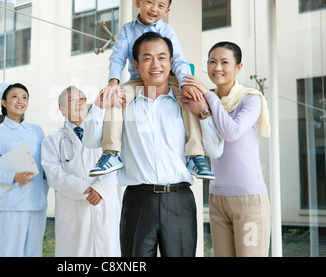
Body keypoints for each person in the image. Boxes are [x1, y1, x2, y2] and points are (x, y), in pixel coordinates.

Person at [84, 32, 224, 257]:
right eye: (147, 58)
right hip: (138, 202)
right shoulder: (124, 102)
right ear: (137, 65)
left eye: (161, 57)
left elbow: (215, 150)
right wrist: (99, 106)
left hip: (179, 201)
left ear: (171, 63)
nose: (155, 64)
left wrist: (205, 113)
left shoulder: (188, 102)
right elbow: (90, 141)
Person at [89, 0, 214, 180]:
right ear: (138, 2)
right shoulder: (127, 30)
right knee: (116, 97)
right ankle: (111, 153)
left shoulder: (167, 31)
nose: (154, 8)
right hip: (139, 78)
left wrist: (185, 83)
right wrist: (113, 81)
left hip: (169, 77)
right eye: (149, 2)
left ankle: (196, 155)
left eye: (161, 5)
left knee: (189, 98)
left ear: (167, 11)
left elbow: (180, 60)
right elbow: (118, 57)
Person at [182, 41, 271, 257]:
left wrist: (209, 98)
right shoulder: (205, 101)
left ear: (238, 67)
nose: (217, 68)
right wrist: (205, 102)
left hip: (248, 199)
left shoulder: (251, 99)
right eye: (212, 62)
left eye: (224, 62)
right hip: (217, 197)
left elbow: (231, 132)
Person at [41, 86, 121, 257]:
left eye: (82, 99)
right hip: (74, 208)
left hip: (104, 202)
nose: (79, 104)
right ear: (61, 109)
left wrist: (100, 189)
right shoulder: (52, 141)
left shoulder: (104, 131)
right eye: (72, 100)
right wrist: (86, 191)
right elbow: (54, 175)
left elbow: (116, 161)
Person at [0, 82, 49, 257]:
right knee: (11, 253)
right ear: (4, 103)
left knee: (34, 253)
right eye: (14, 97)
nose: (20, 101)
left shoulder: (37, 131)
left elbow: (45, 164)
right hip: (13, 205)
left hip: (38, 202)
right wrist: (14, 176)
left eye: (24, 97)